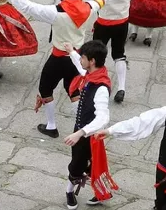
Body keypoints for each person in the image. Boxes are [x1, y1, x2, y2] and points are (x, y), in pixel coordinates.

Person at [6, 0, 111, 138]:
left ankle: (51, 126)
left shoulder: (56, 12)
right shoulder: (89, 8)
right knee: (74, 90)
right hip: (78, 58)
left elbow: (28, 6)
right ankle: (83, 125)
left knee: (46, 89)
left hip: (58, 57)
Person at [59, 0, 156, 103]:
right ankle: (122, 88)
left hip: (104, 24)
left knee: (92, 55)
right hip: (122, 23)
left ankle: (89, 82)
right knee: (119, 54)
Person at [56, 41, 115, 209]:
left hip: (89, 134)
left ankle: (71, 191)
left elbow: (103, 118)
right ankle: (98, 192)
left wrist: (80, 133)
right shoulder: (92, 74)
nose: (80, 60)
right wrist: (72, 52)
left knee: (82, 164)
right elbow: (81, 68)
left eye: (83, 57)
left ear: (93, 61)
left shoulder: (101, 87)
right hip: (82, 131)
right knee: (83, 162)